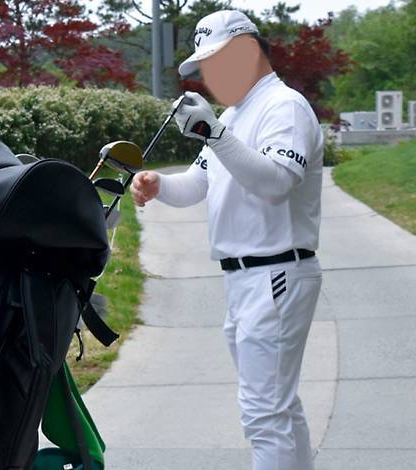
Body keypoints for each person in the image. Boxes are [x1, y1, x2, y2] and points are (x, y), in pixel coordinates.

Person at [130, 9, 323, 470]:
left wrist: (214, 133)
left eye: (217, 62)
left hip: (276, 273)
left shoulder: (284, 107)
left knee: (264, 414)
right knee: (277, 407)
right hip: (246, 280)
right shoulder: (235, 115)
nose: (209, 76)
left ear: (250, 50)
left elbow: (276, 181)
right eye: (205, 67)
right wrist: (159, 185)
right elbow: (198, 184)